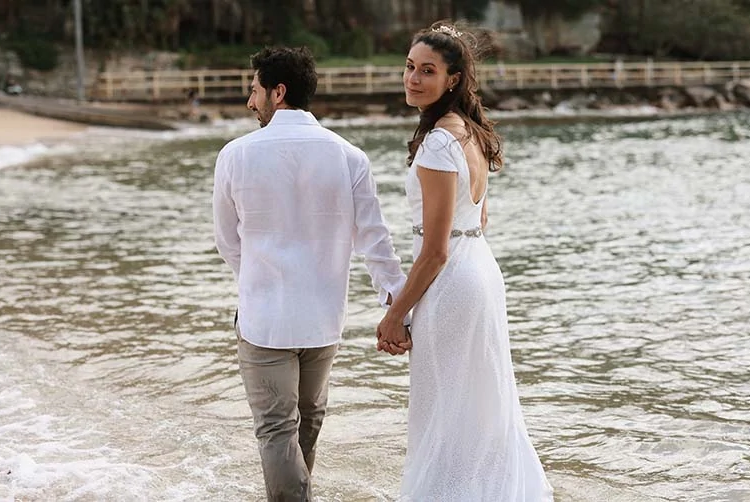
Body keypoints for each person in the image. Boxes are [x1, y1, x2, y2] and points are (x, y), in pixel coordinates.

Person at [212, 46, 411, 501]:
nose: (250, 101)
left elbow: (227, 240)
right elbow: (375, 241)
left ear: (278, 92)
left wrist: (260, 277)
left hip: (265, 321)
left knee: (276, 428)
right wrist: (397, 303)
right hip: (323, 320)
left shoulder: (235, 155)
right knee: (307, 422)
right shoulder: (349, 156)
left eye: (254, 90)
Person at [376, 22, 555, 501]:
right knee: (478, 403)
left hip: (453, 280)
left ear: (452, 79)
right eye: (410, 67)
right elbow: (479, 219)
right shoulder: (469, 132)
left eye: (427, 70)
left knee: (446, 408)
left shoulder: (439, 142)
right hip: (480, 270)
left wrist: (395, 315)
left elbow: (436, 250)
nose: (413, 78)